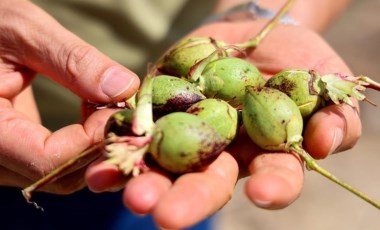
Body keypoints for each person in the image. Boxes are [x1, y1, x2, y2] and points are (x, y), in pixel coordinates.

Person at [0, 0, 359, 229]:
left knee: (165, 209)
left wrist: (263, 11)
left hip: (138, 177)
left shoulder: (230, 98)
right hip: (23, 112)